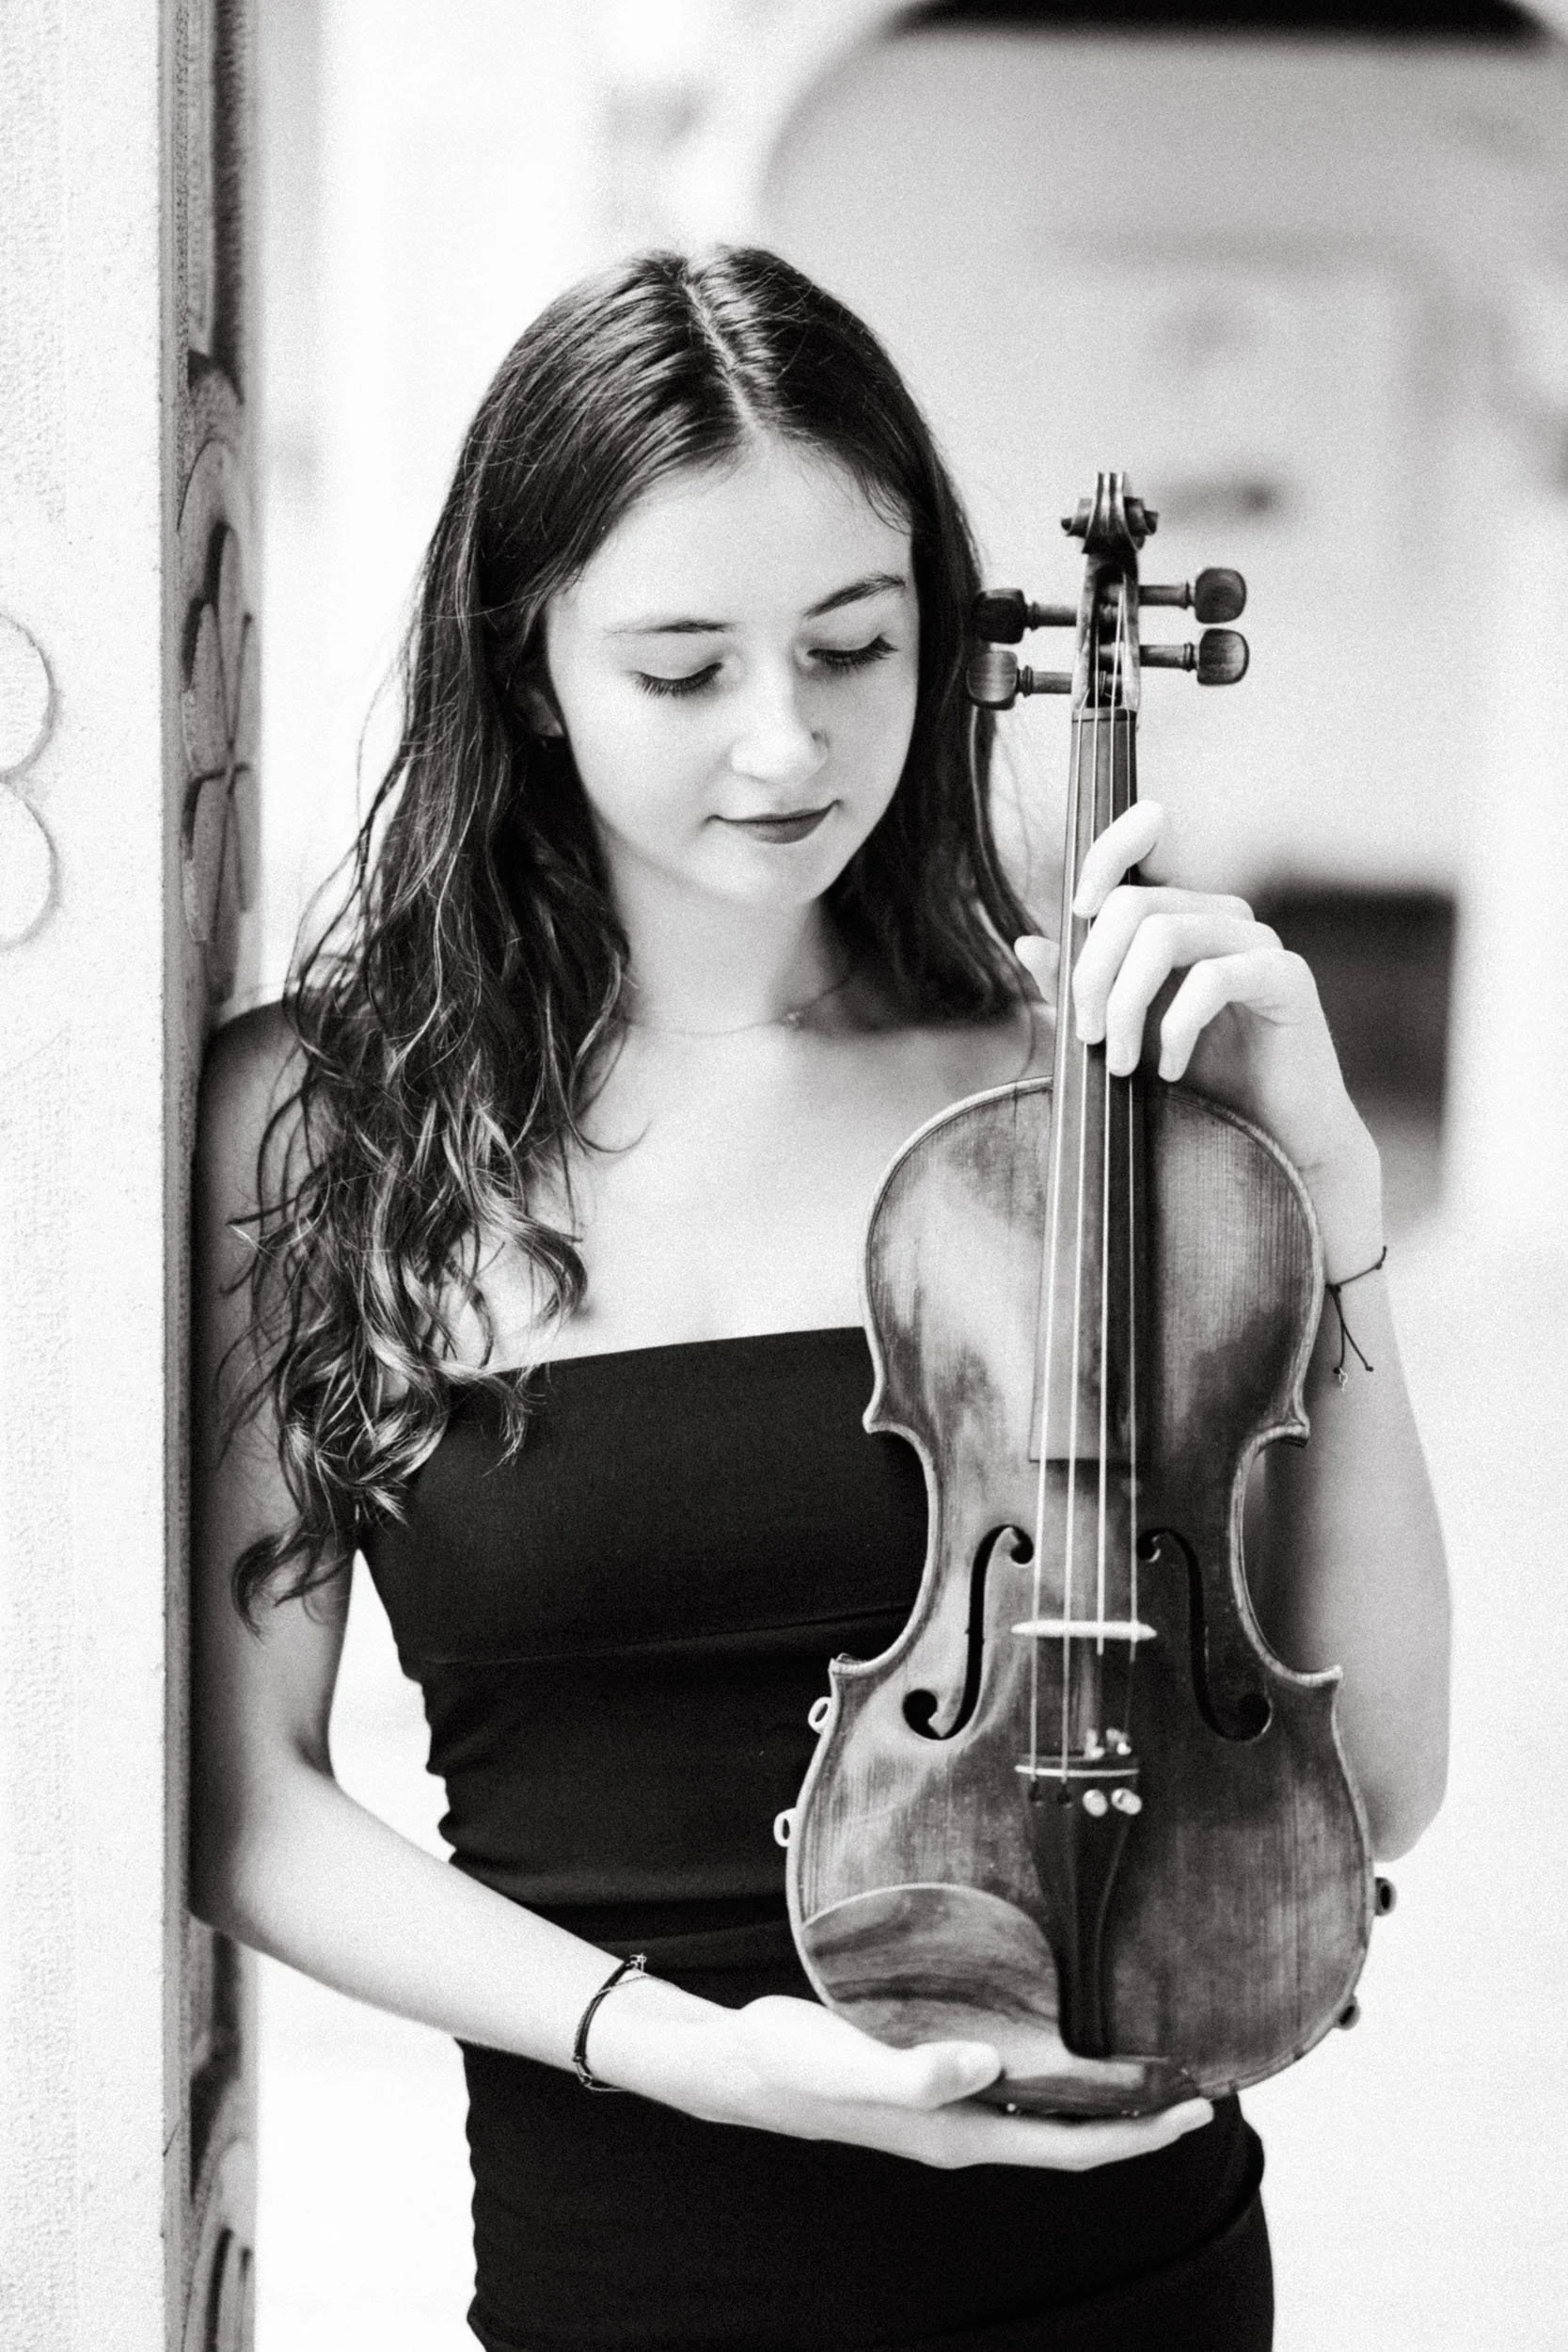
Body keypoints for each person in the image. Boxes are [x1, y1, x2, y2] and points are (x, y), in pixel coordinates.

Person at [190, 246, 1449, 2352]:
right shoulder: (324, 1124)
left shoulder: (1073, 1109)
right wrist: (690, 2048)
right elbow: (246, 1801)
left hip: (1120, 2270)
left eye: (852, 648)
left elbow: (1369, 1776)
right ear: (525, 670)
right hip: (636, 2260)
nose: (783, 740)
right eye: (681, 667)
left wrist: (1319, 1187)